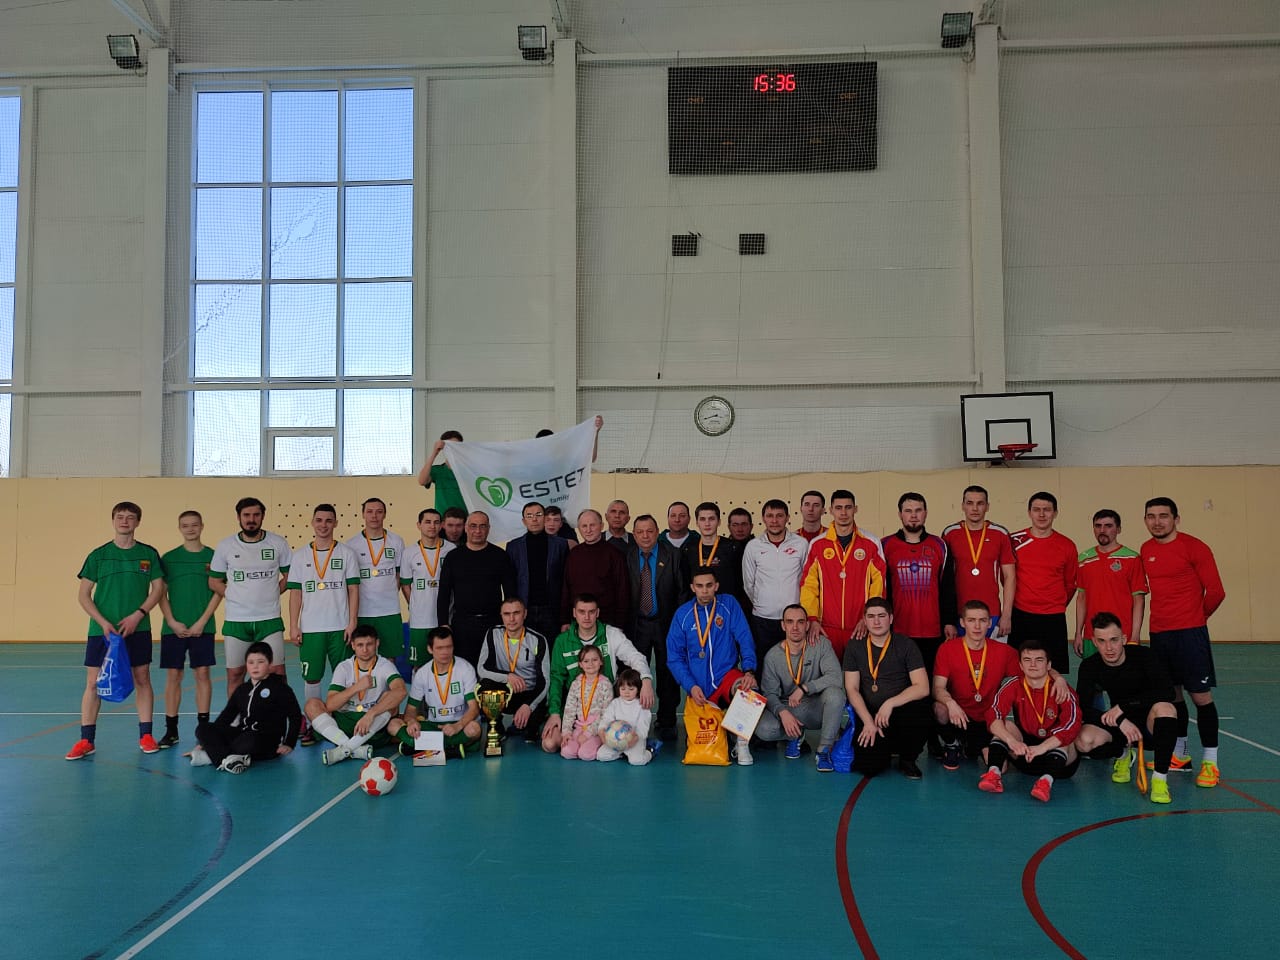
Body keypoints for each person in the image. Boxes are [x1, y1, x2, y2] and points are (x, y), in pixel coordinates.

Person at [65, 501, 166, 760]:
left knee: (142, 679)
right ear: (113, 521)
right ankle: (86, 741)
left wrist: (138, 614)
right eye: (120, 517)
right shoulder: (98, 555)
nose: (125, 521)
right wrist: (102, 622)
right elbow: (84, 595)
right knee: (93, 683)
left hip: (138, 629)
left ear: (138, 522)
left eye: (130, 517)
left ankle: (146, 735)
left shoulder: (148, 554)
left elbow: (158, 589)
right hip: (102, 631)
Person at [1142, 496, 1227, 788]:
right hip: (1159, 634)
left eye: (1163, 516)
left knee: (1200, 698)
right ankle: (1180, 755)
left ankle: (1211, 763)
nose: (1157, 522)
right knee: (1172, 697)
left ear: (1176, 519)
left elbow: (1216, 591)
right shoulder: (1146, 549)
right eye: (1151, 516)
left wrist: (1197, 618)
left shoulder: (1195, 547)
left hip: (1190, 635)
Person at [1074, 613, 1179, 804]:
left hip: (1148, 726)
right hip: (1119, 727)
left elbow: (1168, 692)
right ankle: (1123, 754)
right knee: (1084, 740)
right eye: (1102, 641)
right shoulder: (1090, 666)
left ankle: (1159, 779)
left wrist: (1123, 707)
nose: (1109, 647)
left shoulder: (1144, 656)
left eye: (1114, 640)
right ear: (1094, 642)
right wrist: (1120, 720)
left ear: (1123, 639)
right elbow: (1083, 708)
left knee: (1166, 709)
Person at [666, 567, 758, 765]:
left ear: (716, 586)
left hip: (726, 680)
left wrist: (749, 669)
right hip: (699, 687)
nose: (705, 591)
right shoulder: (683, 614)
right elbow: (674, 658)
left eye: (709, 585)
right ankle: (725, 732)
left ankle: (742, 744)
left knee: (748, 689)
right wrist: (691, 686)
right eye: (699, 586)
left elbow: (744, 637)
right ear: (692, 588)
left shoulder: (728, 605)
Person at [542, 594, 654, 753]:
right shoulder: (562, 641)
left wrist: (646, 680)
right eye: (582, 612)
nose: (586, 617)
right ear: (574, 613)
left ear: (598, 613)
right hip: (575, 708)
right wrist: (554, 713)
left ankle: (610, 740)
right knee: (550, 744)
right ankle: (585, 739)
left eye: (591, 612)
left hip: (604, 708)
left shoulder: (611, 634)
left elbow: (635, 657)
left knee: (616, 741)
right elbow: (556, 679)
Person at [287, 503, 361, 744]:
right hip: (311, 629)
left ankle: (342, 722)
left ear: (335, 523)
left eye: (329, 520)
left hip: (340, 627)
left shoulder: (346, 553)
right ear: (312, 522)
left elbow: (353, 589)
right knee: (312, 679)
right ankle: (314, 724)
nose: (323, 525)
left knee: (344, 678)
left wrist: (352, 621)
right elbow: (295, 593)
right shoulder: (300, 556)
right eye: (319, 520)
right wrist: (294, 625)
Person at [980, 639, 1082, 803]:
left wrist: (1042, 748)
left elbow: (1072, 726)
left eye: (1039, 660)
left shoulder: (1062, 690)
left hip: (1059, 763)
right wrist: (1011, 741)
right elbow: (993, 713)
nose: (1033, 665)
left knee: (1066, 739)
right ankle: (994, 774)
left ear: (1049, 665)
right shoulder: (1014, 685)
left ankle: (1045, 783)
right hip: (1025, 754)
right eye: (1027, 660)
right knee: (1005, 726)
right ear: (1021, 665)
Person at [208, 496, 292, 697]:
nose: (251, 519)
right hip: (236, 621)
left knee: (277, 672)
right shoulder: (226, 546)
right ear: (238, 517)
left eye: (256, 515)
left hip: (269, 619)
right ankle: (238, 715)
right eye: (246, 515)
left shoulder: (278, 543)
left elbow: (290, 577)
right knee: (235, 674)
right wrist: (235, 596)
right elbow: (214, 581)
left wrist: (272, 592)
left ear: (263, 516)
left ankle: (278, 714)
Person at [842, 598, 931, 779]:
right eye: (871, 616)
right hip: (869, 713)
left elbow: (922, 688)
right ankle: (886, 746)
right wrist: (868, 721)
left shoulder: (906, 644)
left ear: (890, 619)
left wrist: (890, 703)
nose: (876, 621)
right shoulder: (855, 646)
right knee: (869, 767)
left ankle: (908, 758)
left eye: (881, 616)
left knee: (922, 709)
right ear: (864, 620)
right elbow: (852, 689)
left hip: (899, 710)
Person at [932, 600, 1023, 771]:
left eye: (982, 620)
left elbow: (1034, 670)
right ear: (962, 622)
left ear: (989, 623)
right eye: (971, 620)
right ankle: (952, 744)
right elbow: (937, 688)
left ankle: (972, 747)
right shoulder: (947, 649)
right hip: (958, 717)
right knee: (939, 708)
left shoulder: (1004, 651)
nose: (977, 626)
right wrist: (950, 703)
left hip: (988, 720)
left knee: (1001, 768)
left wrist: (1058, 678)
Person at [157, 509, 221, 749]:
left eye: (194, 524)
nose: (190, 529)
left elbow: (218, 592)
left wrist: (202, 621)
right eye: (185, 525)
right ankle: (171, 731)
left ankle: (203, 730)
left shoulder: (214, 556)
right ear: (179, 528)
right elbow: (160, 593)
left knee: (202, 674)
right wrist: (172, 621)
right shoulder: (169, 558)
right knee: (173, 676)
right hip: (173, 629)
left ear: (202, 526)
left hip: (203, 627)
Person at [189, 641, 301, 774]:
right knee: (203, 728)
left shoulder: (280, 688)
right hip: (242, 734)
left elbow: (295, 716)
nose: (255, 666)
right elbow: (226, 716)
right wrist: (206, 741)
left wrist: (289, 743)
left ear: (270, 664)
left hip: (267, 741)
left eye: (260, 662)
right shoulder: (242, 690)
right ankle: (227, 760)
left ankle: (214, 757)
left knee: (248, 740)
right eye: (251, 662)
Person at [756, 604, 845, 769]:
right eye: (790, 622)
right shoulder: (773, 656)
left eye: (800, 622)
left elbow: (836, 677)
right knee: (764, 729)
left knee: (836, 695)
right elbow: (769, 693)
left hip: (815, 707)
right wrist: (782, 713)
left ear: (807, 625)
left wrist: (805, 688)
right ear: (783, 625)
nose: (795, 627)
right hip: (789, 708)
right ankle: (795, 735)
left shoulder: (821, 644)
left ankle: (824, 749)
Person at [800, 489, 885, 660]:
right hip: (825, 628)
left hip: (860, 626)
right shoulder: (818, 544)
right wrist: (812, 619)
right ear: (831, 510)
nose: (843, 513)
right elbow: (808, 586)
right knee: (829, 674)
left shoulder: (871, 543)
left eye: (848, 507)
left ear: (856, 509)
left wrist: (868, 618)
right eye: (838, 508)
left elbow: (879, 585)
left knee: (860, 674)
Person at [304, 624, 406, 765]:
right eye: (360, 645)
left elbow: (401, 691)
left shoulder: (384, 665)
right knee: (311, 704)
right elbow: (331, 705)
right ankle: (353, 748)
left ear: (377, 643)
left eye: (369, 644)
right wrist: (356, 687)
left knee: (390, 699)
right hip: (343, 725)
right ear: (353, 645)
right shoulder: (344, 667)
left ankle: (345, 749)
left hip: (372, 725)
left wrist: (370, 714)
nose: (365, 650)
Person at [881, 492, 956, 677]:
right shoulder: (885, 545)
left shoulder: (940, 545)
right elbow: (881, 589)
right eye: (908, 511)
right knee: (900, 681)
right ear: (900, 514)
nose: (913, 515)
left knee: (929, 682)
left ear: (925, 513)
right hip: (898, 630)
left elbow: (948, 587)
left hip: (932, 631)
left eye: (918, 510)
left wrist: (949, 621)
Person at [625, 515, 683, 742]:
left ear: (658, 532)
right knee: (635, 673)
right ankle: (634, 720)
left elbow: (682, 592)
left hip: (666, 623)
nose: (645, 536)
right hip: (637, 624)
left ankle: (667, 720)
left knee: (667, 673)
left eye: (650, 531)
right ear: (634, 534)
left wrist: (679, 625)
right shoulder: (627, 556)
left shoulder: (673, 555)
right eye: (640, 532)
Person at [1009, 491, 1078, 674]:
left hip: (1053, 617)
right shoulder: (1014, 541)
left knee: (1053, 672)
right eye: (1036, 509)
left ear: (1055, 513)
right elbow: (1007, 577)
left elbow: (1070, 584)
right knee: (1019, 670)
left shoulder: (1067, 545)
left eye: (1047, 510)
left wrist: (1054, 603)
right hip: (1021, 614)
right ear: (1029, 512)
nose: (1041, 514)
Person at [436, 510, 516, 665]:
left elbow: (510, 593)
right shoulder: (453, 557)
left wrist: (509, 622)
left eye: (482, 526)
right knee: (465, 668)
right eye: (473, 526)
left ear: (489, 529)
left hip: (493, 624)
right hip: (462, 625)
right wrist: (444, 623)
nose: (478, 531)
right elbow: (444, 593)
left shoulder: (500, 556)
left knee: (493, 668)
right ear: (466, 528)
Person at [390, 626, 483, 759]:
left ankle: (419, 745)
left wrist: (458, 726)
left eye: (448, 647)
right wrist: (411, 722)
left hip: (459, 723)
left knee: (474, 729)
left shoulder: (465, 669)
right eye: (440, 648)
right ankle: (452, 747)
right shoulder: (422, 673)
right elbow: (410, 709)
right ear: (430, 649)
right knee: (393, 725)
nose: (445, 652)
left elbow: (474, 708)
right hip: (433, 726)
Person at [941, 485, 1015, 638]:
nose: (975, 508)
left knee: (990, 653)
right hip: (959, 613)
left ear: (987, 506)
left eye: (980, 503)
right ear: (963, 506)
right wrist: (947, 618)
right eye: (970, 503)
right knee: (960, 654)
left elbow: (1010, 576)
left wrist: (1007, 615)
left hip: (991, 613)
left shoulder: (1000, 534)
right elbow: (944, 578)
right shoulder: (950, 533)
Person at [1074, 509, 1146, 661]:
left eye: (1108, 526)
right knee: (1093, 675)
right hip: (1092, 635)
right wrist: (1078, 633)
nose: (1102, 530)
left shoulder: (1132, 558)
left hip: (1121, 635)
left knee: (1122, 676)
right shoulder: (1083, 559)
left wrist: (1135, 635)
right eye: (1098, 526)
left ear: (1118, 529)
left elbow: (1139, 600)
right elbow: (1081, 598)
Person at [741, 499, 808, 664]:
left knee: (794, 664)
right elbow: (749, 583)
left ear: (788, 518)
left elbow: (807, 580)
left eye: (779, 516)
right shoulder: (753, 546)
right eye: (770, 516)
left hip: (793, 619)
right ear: (763, 518)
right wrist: (762, 603)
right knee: (764, 664)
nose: (774, 520)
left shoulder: (801, 544)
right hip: (763, 619)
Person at [476, 597, 550, 741]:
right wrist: (508, 676)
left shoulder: (538, 640)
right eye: (507, 614)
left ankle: (527, 725)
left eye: (516, 613)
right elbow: (482, 669)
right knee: (485, 686)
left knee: (530, 734)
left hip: (529, 693)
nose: (511, 619)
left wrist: (529, 706)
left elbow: (545, 681)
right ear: (501, 615)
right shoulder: (493, 634)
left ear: (525, 614)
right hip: (506, 691)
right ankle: (497, 729)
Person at [346, 497, 407, 662]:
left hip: (389, 610)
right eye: (370, 512)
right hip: (362, 612)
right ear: (363, 514)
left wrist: (388, 593)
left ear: (385, 515)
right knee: (363, 657)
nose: (374, 516)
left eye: (379, 512)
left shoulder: (396, 541)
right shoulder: (351, 544)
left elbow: (399, 574)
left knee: (390, 658)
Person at [399, 508, 456, 668]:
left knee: (445, 662)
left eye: (436, 522)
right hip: (420, 620)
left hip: (445, 619)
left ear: (442, 525)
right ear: (419, 525)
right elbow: (405, 584)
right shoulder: (409, 552)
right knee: (419, 665)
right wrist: (414, 605)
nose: (432, 526)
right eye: (428, 522)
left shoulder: (451, 549)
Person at [506, 501, 568, 642]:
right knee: (526, 649)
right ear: (524, 521)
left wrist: (565, 615)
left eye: (538, 514)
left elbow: (565, 581)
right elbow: (510, 581)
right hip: (524, 610)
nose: (534, 519)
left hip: (552, 610)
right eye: (529, 516)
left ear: (544, 518)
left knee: (552, 648)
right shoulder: (513, 547)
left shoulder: (560, 545)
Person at [560, 509, 629, 629]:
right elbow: (566, 588)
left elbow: (622, 592)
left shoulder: (614, 554)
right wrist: (565, 620)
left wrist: (620, 625)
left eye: (592, 525)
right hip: (577, 623)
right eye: (584, 526)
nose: (588, 530)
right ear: (579, 528)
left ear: (601, 526)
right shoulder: (574, 554)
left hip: (607, 623)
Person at [679, 501, 742, 603]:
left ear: (719, 522)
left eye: (711, 519)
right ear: (697, 523)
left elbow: (740, 583)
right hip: (697, 606)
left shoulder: (733, 548)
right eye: (702, 519)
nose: (707, 524)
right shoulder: (688, 549)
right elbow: (684, 584)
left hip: (725, 606)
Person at [560, 645, 614, 760]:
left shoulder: (606, 684)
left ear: (601, 662)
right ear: (580, 664)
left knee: (585, 754)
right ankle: (580, 744)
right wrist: (566, 733)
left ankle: (602, 745)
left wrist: (588, 734)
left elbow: (606, 715)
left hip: (597, 730)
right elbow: (569, 710)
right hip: (579, 728)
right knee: (566, 752)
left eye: (595, 660)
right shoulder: (576, 683)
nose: (590, 664)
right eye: (586, 661)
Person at [595, 668, 654, 765]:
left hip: (634, 740)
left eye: (631, 689)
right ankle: (622, 754)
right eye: (623, 689)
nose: (627, 692)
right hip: (615, 740)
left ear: (638, 689)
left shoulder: (641, 705)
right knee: (601, 756)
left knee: (637, 761)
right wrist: (602, 730)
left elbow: (643, 726)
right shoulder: (615, 703)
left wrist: (636, 738)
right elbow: (606, 719)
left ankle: (650, 751)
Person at [417, 429, 465, 515]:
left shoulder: (468, 471)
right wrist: (434, 453)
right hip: (442, 518)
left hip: (464, 518)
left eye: (456, 446)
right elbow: (422, 481)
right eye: (449, 446)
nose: (452, 449)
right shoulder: (437, 470)